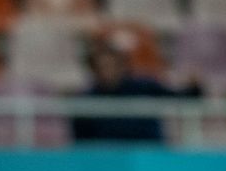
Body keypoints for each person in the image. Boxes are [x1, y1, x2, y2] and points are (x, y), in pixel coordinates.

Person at [70, 42, 202, 144]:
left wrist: (194, 88)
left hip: (148, 154)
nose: (107, 71)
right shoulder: (86, 100)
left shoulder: (144, 87)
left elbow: (179, 98)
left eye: (111, 65)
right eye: (102, 67)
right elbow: (82, 142)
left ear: (122, 66)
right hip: (107, 160)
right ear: (94, 70)